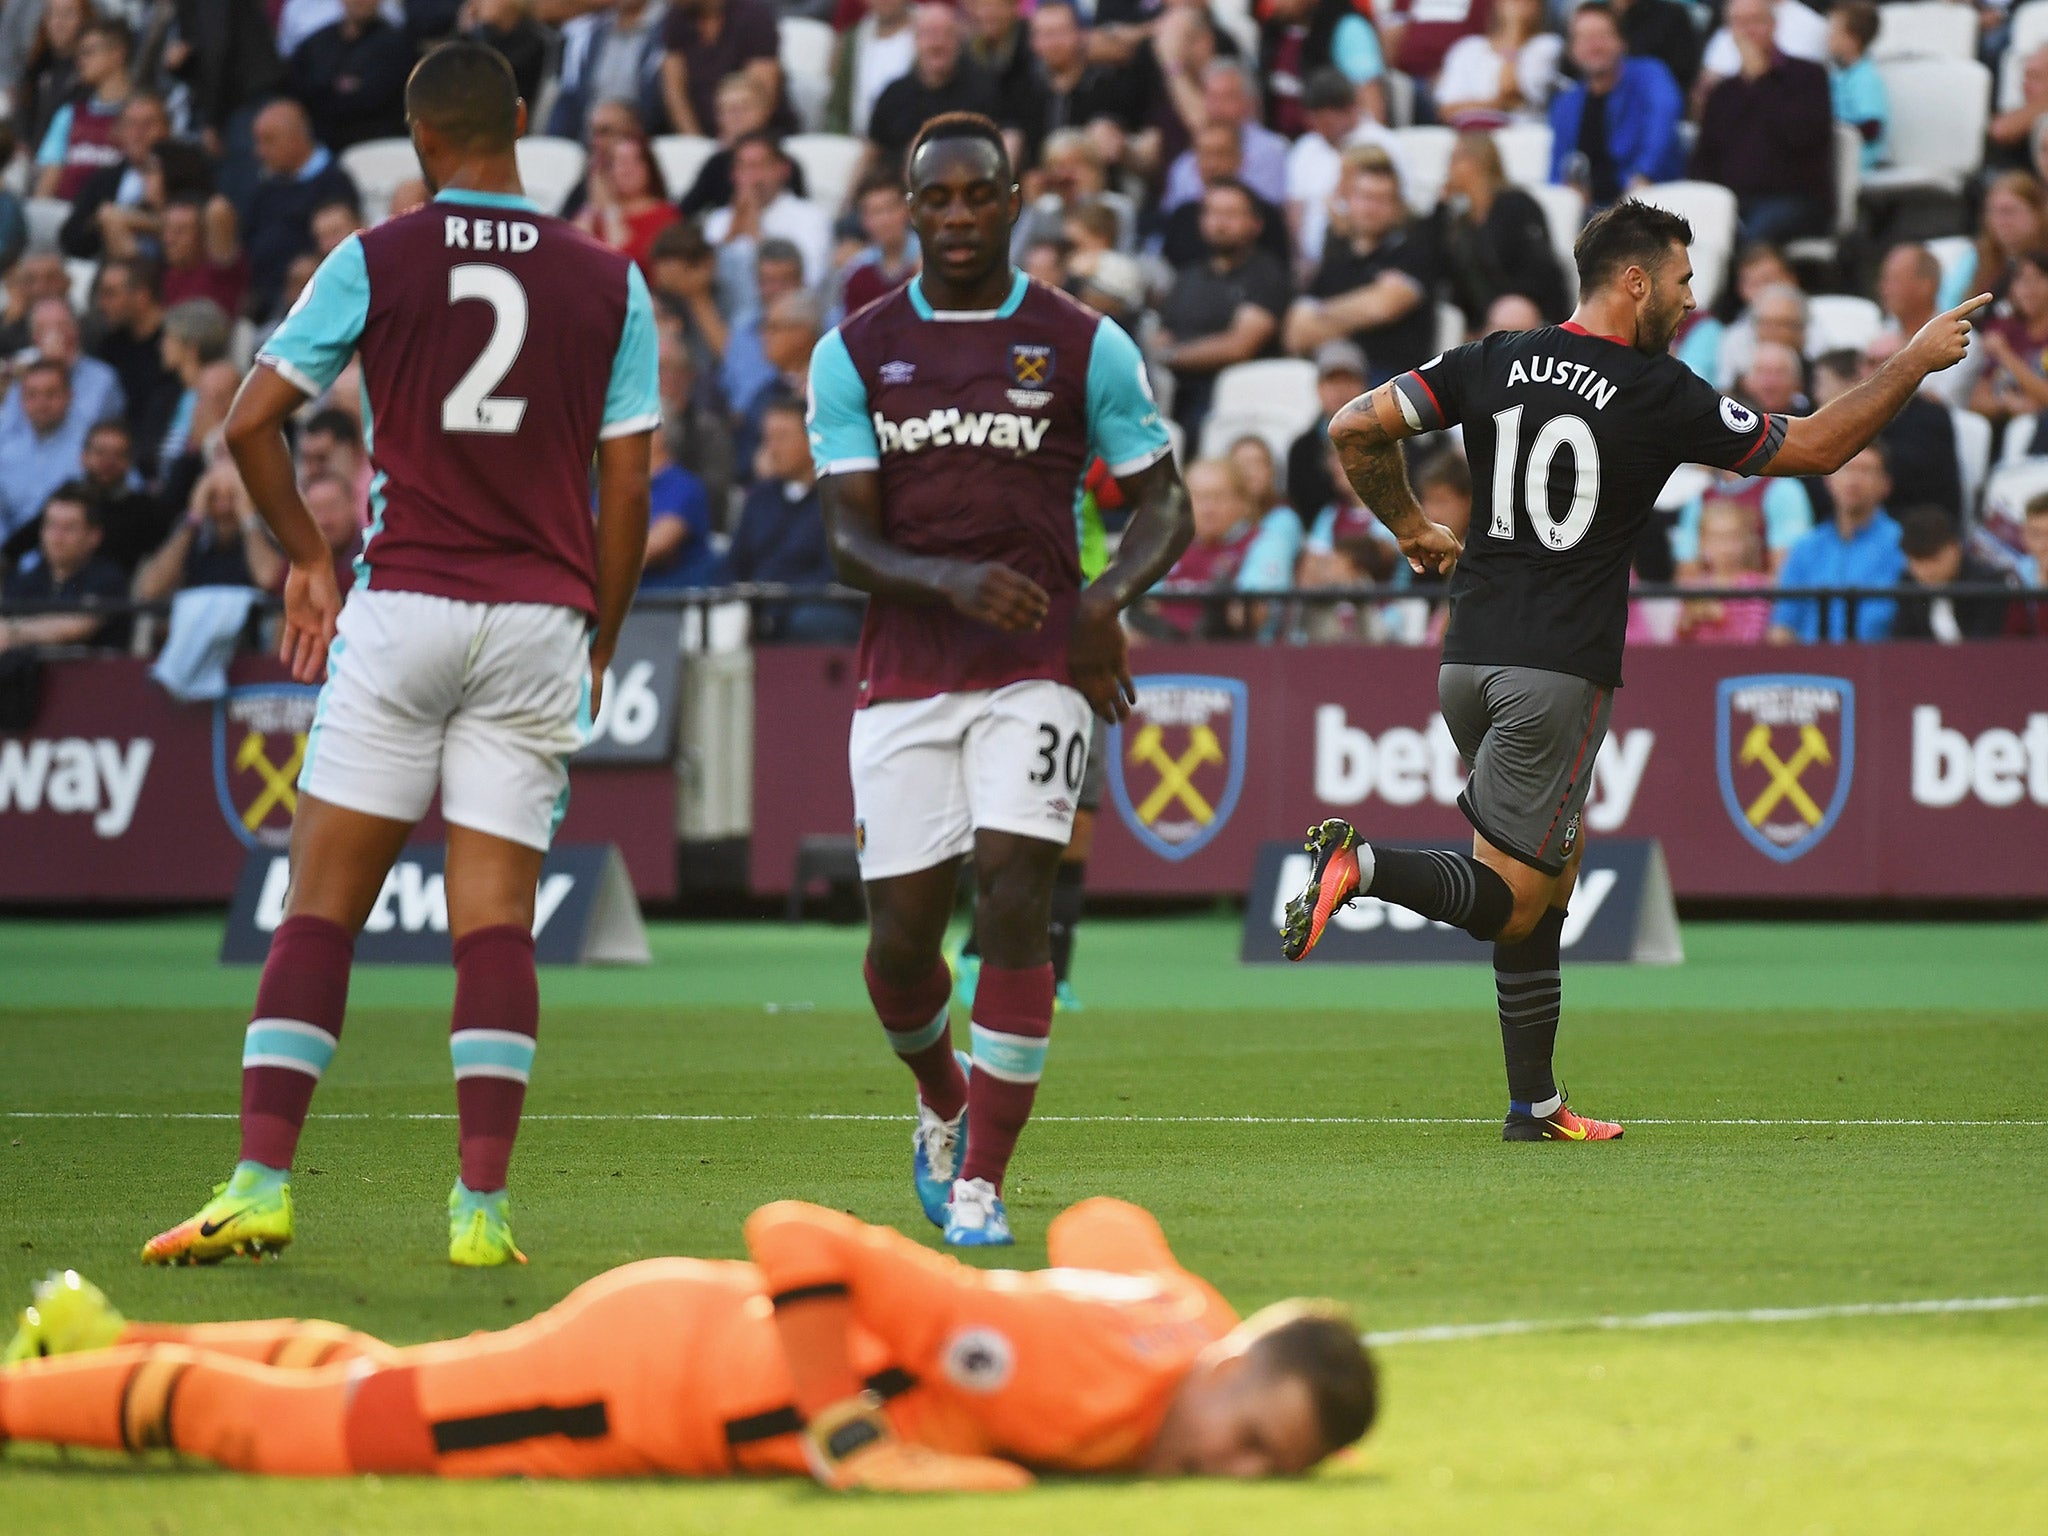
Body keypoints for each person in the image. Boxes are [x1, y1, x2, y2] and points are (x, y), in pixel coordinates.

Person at [1283, 198, 1985, 1140]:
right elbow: (1816, 446)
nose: (1694, 301)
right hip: (1556, 672)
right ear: (1636, 280)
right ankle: (1359, 864)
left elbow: (1354, 426)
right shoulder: (1659, 391)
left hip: (1468, 657)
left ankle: (1535, 1105)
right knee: (1511, 899)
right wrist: (1913, 361)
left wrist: (1410, 527)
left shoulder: (1491, 358)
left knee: (1553, 871)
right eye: (1687, 282)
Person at [139, 41, 659, 1271]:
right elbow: (625, 484)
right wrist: (604, 629)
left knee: (319, 905)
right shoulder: (609, 280)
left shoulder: (374, 258)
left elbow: (250, 420)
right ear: (524, 123)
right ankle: (481, 1210)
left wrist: (308, 557)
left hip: (407, 598)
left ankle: (262, 1182)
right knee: (495, 928)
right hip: (538, 619)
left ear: (421, 144)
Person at [806, 112, 1189, 1245]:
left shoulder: (1084, 343)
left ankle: (982, 1181)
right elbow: (845, 544)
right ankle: (941, 1099)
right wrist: (952, 581)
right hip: (907, 674)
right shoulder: (855, 351)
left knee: (1015, 895)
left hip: (1037, 670)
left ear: (1015, 200)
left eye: (981, 195)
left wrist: (1100, 605)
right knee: (900, 946)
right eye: (939, 199)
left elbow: (1162, 503)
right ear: (908, 210)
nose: (960, 215)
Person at [2, 1197, 1377, 1489]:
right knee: (304, 1436)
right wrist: (849, 1434)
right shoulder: (1082, 1377)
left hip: (670, 1332)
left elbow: (1101, 1226)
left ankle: (100, 1344)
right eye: (1248, 1438)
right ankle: (29, 1396)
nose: (1237, 1475)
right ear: (1233, 1369)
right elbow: (799, 1235)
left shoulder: (1181, 1319)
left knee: (378, 1378)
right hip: (639, 1390)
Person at [1690, 0, 1835, 246]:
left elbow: (1803, 136)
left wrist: (1762, 81)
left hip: (1794, 197)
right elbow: (1705, 158)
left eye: (1756, 21)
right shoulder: (1722, 93)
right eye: (1739, 23)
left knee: (1751, 237)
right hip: (1733, 201)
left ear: (1773, 24)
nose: (1748, 30)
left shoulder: (1808, 76)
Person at [1157, 178, 1292, 439]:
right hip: (1177, 391)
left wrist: (1172, 356)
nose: (1220, 223)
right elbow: (1162, 334)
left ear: (1256, 224)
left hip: (1241, 397)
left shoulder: (1266, 274)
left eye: (1231, 214)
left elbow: (1239, 346)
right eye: (1213, 213)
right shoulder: (1188, 276)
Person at [1283, 153, 1432, 386]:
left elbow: (1382, 308)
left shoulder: (1413, 251)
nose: (1371, 208)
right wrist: (1361, 308)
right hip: (1329, 376)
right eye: (1364, 197)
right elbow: (1295, 334)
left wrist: (1322, 315)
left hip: (1393, 382)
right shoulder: (1337, 257)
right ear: (1349, 201)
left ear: (1397, 206)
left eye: (1381, 199)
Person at [727, 396, 855, 640]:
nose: (772, 449)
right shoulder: (759, 499)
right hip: (758, 609)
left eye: (782, 437)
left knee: (808, 621)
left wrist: (776, 598)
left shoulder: (837, 499)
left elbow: (833, 574)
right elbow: (734, 566)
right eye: (767, 439)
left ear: (812, 439)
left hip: (817, 609)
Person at [1546, 3, 1684, 208]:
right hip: (1586, 216)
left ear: (1622, 41)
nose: (1595, 46)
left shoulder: (1650, 76)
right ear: (1572, 50)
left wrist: (1642, 176)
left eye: (1602, 36)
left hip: (1646, 207)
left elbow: (1661, 129)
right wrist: (1569, 192)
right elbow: (1557, 170)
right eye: (1584, 38)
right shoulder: (1566, 103)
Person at [1767, 443, 1904, 643]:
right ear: (1828, 480)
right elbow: (1783, 625)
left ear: (1886, 485)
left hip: (1879, 666)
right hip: (1813, 667)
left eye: (1866, 471)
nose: (1853, 480)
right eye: (1846, 468)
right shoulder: (1805, 547)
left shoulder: (1901, 545)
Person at [1436, 129, 1567, 328]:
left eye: (1455, 158)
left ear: (1478, 161)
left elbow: (1540, 270)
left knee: (1511, 312)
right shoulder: (1461, 223)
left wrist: (1500, 306)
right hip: (1486, 322)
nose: (1448, 168)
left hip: (1531, 313)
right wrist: (1440, 206)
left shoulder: (1517, 205)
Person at [244, 100, 360, 321]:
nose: (259, 152)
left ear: (297, 138)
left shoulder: (335, 182)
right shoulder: (264, 189)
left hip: (314, 302)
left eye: (268, 141)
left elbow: (342, 245)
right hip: (263, 304)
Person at [867, 6, 1003, 177]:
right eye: (929, 34)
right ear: (915, 40)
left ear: (959, 42)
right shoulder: (894, 93)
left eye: (946, 34)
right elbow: (872, 152)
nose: (937, 43)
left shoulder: (983, 89)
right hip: (896, 191)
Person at [132, 458, 288, 599]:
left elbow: (268, 579)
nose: (224, 508)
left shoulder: (265, 531)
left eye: (232, 497)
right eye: (213, 497)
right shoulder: (191, 535)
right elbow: (149, 589)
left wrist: (247, 519)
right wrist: (193, 519)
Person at [0, 482, 129, 652]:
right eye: (51, 525)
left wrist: (12, 631)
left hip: (93, 676)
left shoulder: (108, 579)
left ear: (94, 536)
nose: (57, 537)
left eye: (69, 528)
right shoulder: (25, 579)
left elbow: (76, 627)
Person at [287, 0, 414, 151]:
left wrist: (331, 91)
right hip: (324, 148)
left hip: (380, 145)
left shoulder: (396, 43)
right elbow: (298, 91)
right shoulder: (316, 43)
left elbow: (372, 96)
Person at [34, 15, 131, 202]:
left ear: (117, 54)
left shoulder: (141, 113)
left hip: (114, 214)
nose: (80, 61)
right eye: (79, 54)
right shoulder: (69, 113)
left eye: (89, 52)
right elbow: (49, 177)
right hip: (65, 214)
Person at [661, 0, 787, 140]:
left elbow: (760, 92)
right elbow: (674, 91)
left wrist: (736, 143)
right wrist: (695, 141)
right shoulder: (676, 19)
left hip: (759, 136)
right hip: (702, 135)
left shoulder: (754, 15)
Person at [1892, 505, 2020, 641]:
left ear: (1956, 549)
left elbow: (1987, 646)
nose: (1926, 571)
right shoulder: (1907, 583)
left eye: (1934, 560)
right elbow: (1903, 643)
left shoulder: (1989, 584)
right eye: (1917, 562)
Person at [0, 361, 95, 542]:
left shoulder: (91, 445)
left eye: (51, 394)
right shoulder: (6, 449)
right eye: (32, 395)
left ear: (69, 396)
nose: (41, 403)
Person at [1433, 0, 1560, 131]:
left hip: (1520, 137)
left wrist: (1514, 28)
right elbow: (1446, 110)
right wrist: (1501, 104)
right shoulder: (1467, 48)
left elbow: (1509, 89)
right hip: (1468, 135)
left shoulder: (1547, 45)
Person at [575, 133, 680, 272]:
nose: (627, 169)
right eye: (618, 162)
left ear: (649, 167)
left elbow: (622, 262)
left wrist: (611, 211)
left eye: (635, 160)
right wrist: (593, 204)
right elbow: (572, 252)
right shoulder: (591, 215)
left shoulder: (665, 215)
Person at [1674, 498, 1772, 642]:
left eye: (1732, 537)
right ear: (1702, 542)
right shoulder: (1695, 588)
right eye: (1717, 537)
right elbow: (1675, 646)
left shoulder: (1757, 587)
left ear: (1746, 541)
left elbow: (1753, 639)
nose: (1725, 547)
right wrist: (1687, 623)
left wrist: (1721, 617)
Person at [1825, 0, 1887, 174]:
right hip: (1833, 159)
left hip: (1856, 164)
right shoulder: (1837, 74)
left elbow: (1871, 127)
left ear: (1853, 40)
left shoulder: (1865, 78)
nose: (1828, 37)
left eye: (1835, 32)